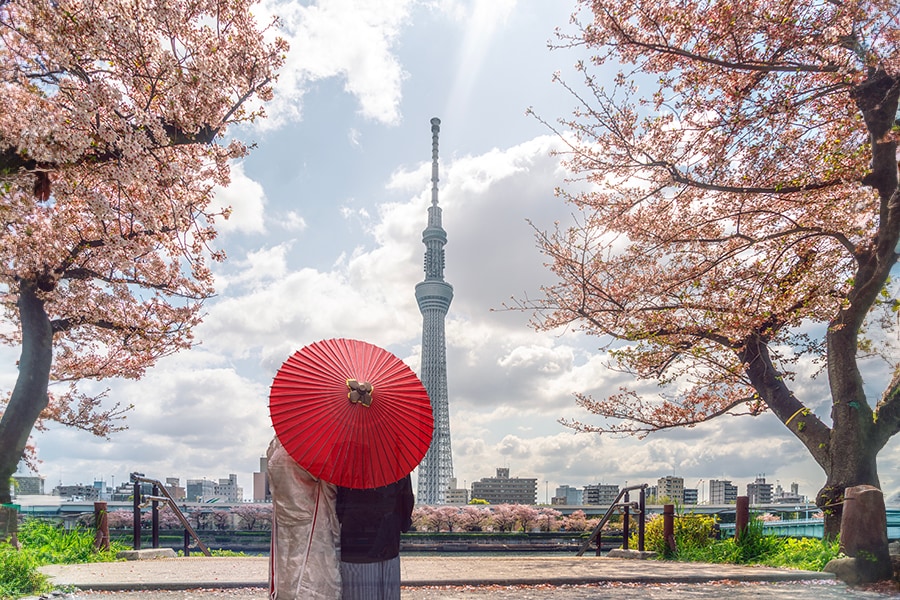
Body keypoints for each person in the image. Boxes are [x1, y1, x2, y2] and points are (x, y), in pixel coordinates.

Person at [267, 436, 342, 599]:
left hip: (284, 516)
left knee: (287, 571)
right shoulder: (311, 446)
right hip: (311, 517)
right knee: (313, 577)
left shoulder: (275, 447)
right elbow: (330, 485)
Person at [336, 474, 414, 600]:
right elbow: (406, 503)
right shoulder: (396, 462)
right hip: (389, 545)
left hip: (353, 547)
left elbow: (336, 508)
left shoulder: (343, 463)